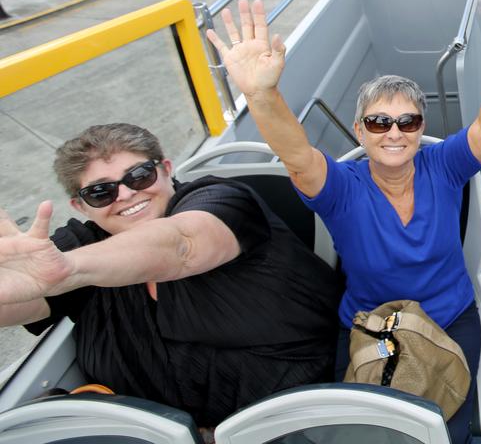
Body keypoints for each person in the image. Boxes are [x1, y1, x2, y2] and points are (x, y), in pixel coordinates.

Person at [205, 0, 481, 444]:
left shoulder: (444, 165)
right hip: (369, 324)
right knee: (372, 432)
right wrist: (261, 94)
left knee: (444, 431)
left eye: (408, 120)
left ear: (421, 128)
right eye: (379, 122)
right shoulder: (342, 188)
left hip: (449, 317)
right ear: (359, 130)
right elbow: (297, 155)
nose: (395, 132)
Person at [0, 123, 338, 428]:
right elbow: (20, 297)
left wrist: (67, 271)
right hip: (143, 431)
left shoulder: (221, 200)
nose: (127, 194)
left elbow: (181, 246)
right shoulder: (82, 243)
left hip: (292, 419)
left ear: (165, 169)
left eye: (139, 176)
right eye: (102, 192)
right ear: (81, 206)